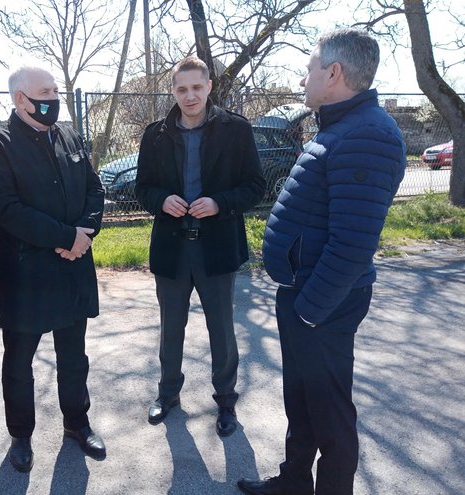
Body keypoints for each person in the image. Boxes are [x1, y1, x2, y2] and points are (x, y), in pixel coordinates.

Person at [237, 29, 406, 495]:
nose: (303, 79)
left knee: (329, 413)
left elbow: (352, 244)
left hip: (322, 304)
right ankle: (293, 482)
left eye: (309, 68)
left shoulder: (368, 134)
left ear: (333, 73)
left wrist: (309, 310)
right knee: (303, 400)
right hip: (305, 295)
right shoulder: (341, 127)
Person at [0, 66, 106, 472]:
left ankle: (77, 422)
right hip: (28, 276)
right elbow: (8, 209)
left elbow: (94, 187)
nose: (54, 97)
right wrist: (66, 237)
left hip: (73, 270)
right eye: (45, 91)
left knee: (74, 356)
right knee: (19, 363)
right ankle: (20, 435)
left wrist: (84, 233)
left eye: (55, 90)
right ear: (21, 99)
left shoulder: (68, 134)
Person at [135, 56, 266, 436]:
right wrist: (161, 200)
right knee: (170, 328)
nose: (189, 95)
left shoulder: (236, 130)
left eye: (196, 87)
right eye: (181, 88)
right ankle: (168, 394)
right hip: (172, 247)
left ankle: (226, 401)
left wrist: (220, 203)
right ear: (173, 91)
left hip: (217, 245)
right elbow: (142, 187)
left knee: (222, 330)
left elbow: (255, 187)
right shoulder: (155, 134)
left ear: (209, 86)